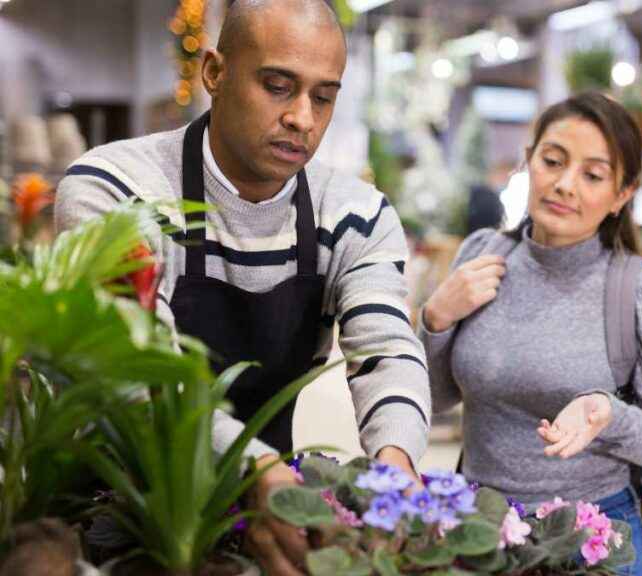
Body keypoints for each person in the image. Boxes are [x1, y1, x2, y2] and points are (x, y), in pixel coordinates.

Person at [55, 1, 430, 574]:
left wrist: (396, 465)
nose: (303, 118)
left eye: (323, 97)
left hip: (265, 516)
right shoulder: (114, 190)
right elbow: (139, 372)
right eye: (278, 86)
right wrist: (254, 470)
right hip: (117, 514)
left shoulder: (355, 215)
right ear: (214, 72)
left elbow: (386, 353)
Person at [419, 92, 642, 576]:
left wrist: (608, 415)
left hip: (590, 543)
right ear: (529, 163)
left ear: (622, 194)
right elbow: (437, 398)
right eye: (552, 161)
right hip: (479, 532)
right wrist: (436, 318)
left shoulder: (641, 294)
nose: (565, 185)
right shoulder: (483, 254)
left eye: (592, 175)